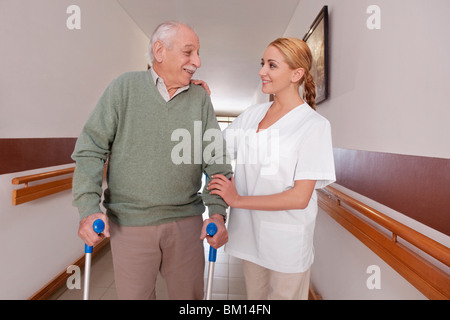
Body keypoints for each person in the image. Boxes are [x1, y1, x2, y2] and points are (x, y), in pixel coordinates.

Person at [72, 21, 232, 300]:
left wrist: (217, 214)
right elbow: (90, 149)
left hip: (187, 224)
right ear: (160, 51)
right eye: (189, 52)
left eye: (198, 53)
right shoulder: (124, 88)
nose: (198, 61)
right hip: (130, 223)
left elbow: (216, 162)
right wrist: (88, 209)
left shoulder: (199, 99)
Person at [208, 37, 336, 300]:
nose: (261, 71)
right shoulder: (252, 115)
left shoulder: (313, 125)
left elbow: (300, 198)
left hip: (286, 243)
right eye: (262, 63)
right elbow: (213, 150)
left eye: (271, 65)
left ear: (296, 74)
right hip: (248, 235)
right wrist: (199, 102)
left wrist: (238, 200)